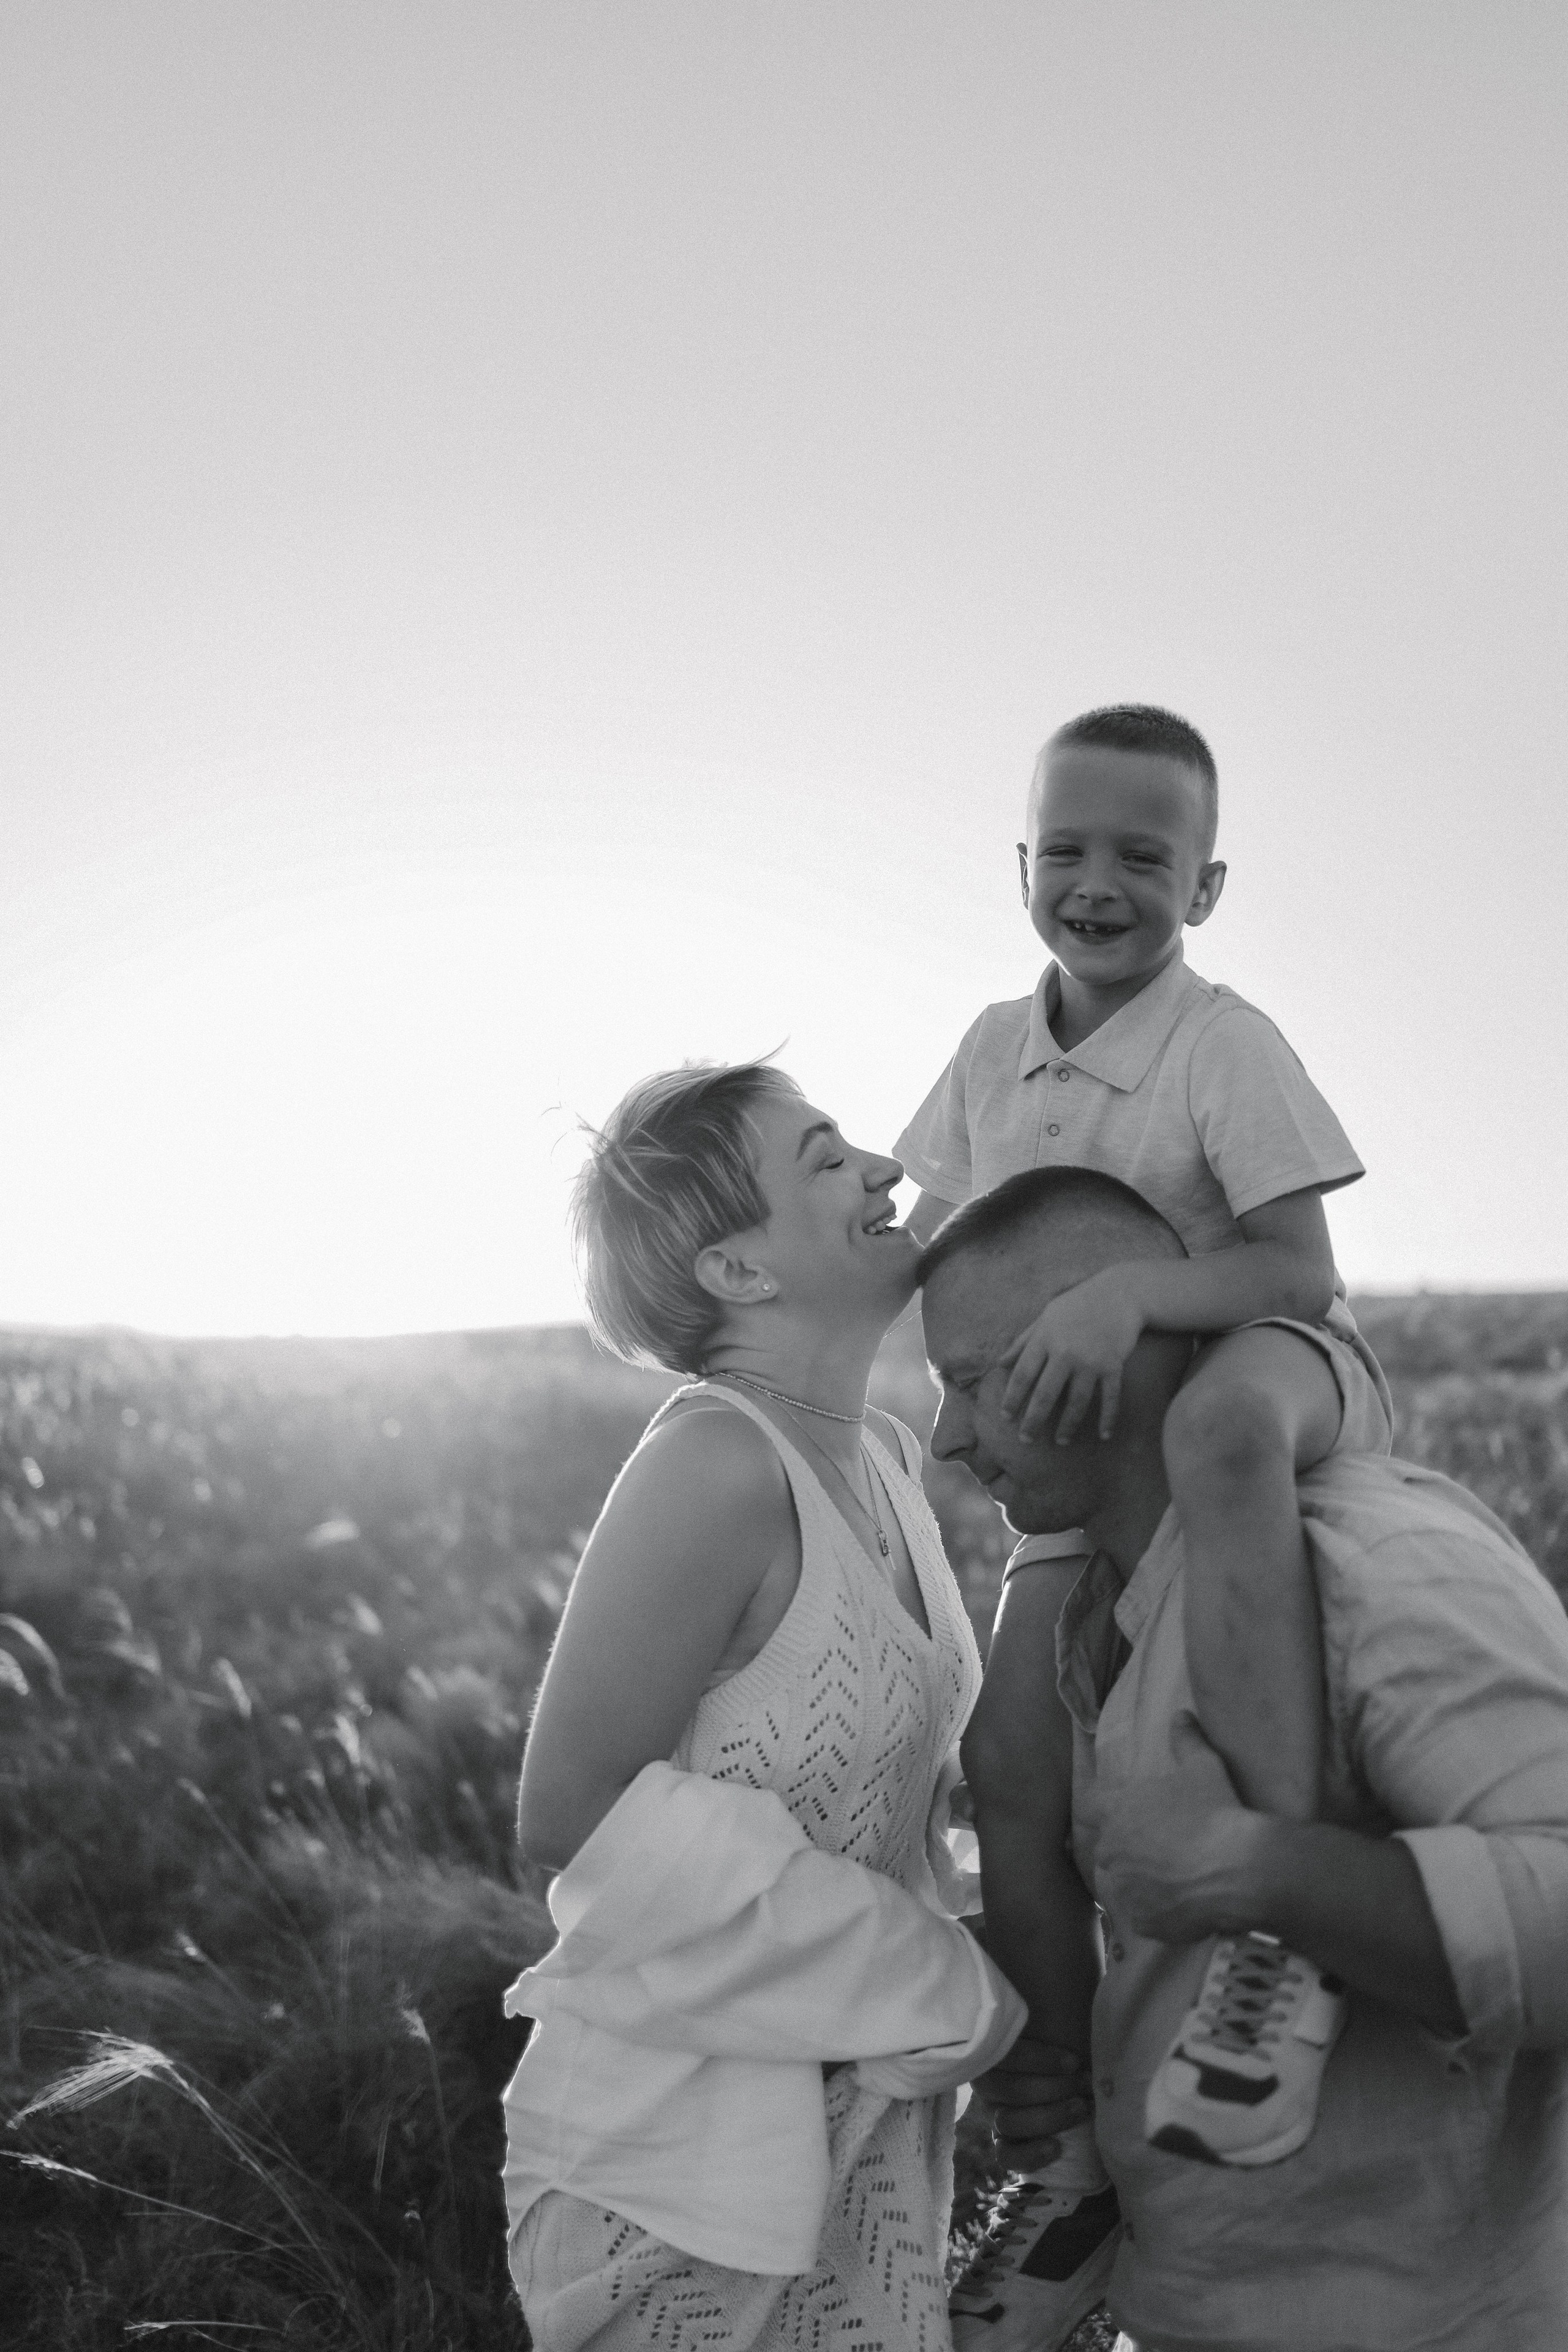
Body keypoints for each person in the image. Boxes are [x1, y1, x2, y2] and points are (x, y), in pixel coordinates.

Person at [897, 707, 1391, 2298]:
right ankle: (1060, 2145)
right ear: (1020, 864)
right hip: (1081, 1466)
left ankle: (1280, 1920)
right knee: (1011, 1766)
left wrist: (1134, 1304)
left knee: (1226, 1436)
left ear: (1210, 882)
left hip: (1256, 1374)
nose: (1098, 886)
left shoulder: (1216, 1041)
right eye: (1068, 852)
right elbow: (934, 1240)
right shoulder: (992, 1048)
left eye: (1144, 858)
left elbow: (1298, 1270)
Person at [921, 1164, 1568, 2352]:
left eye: (970, 1382)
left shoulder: (1371, 1564)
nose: (947, 1438)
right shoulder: (1087, 1624)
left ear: (1109, 1354)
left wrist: (1263, 1872)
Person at [500, 1058, 1035, 2351]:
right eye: (824, 1158)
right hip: (679, 2172)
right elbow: (572, 1817)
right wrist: (943, 1982)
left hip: (866, 2137)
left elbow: (882, 1795)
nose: (887, 1169)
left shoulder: (890, 1458)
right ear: (736, 1272)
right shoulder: (713, 1463)